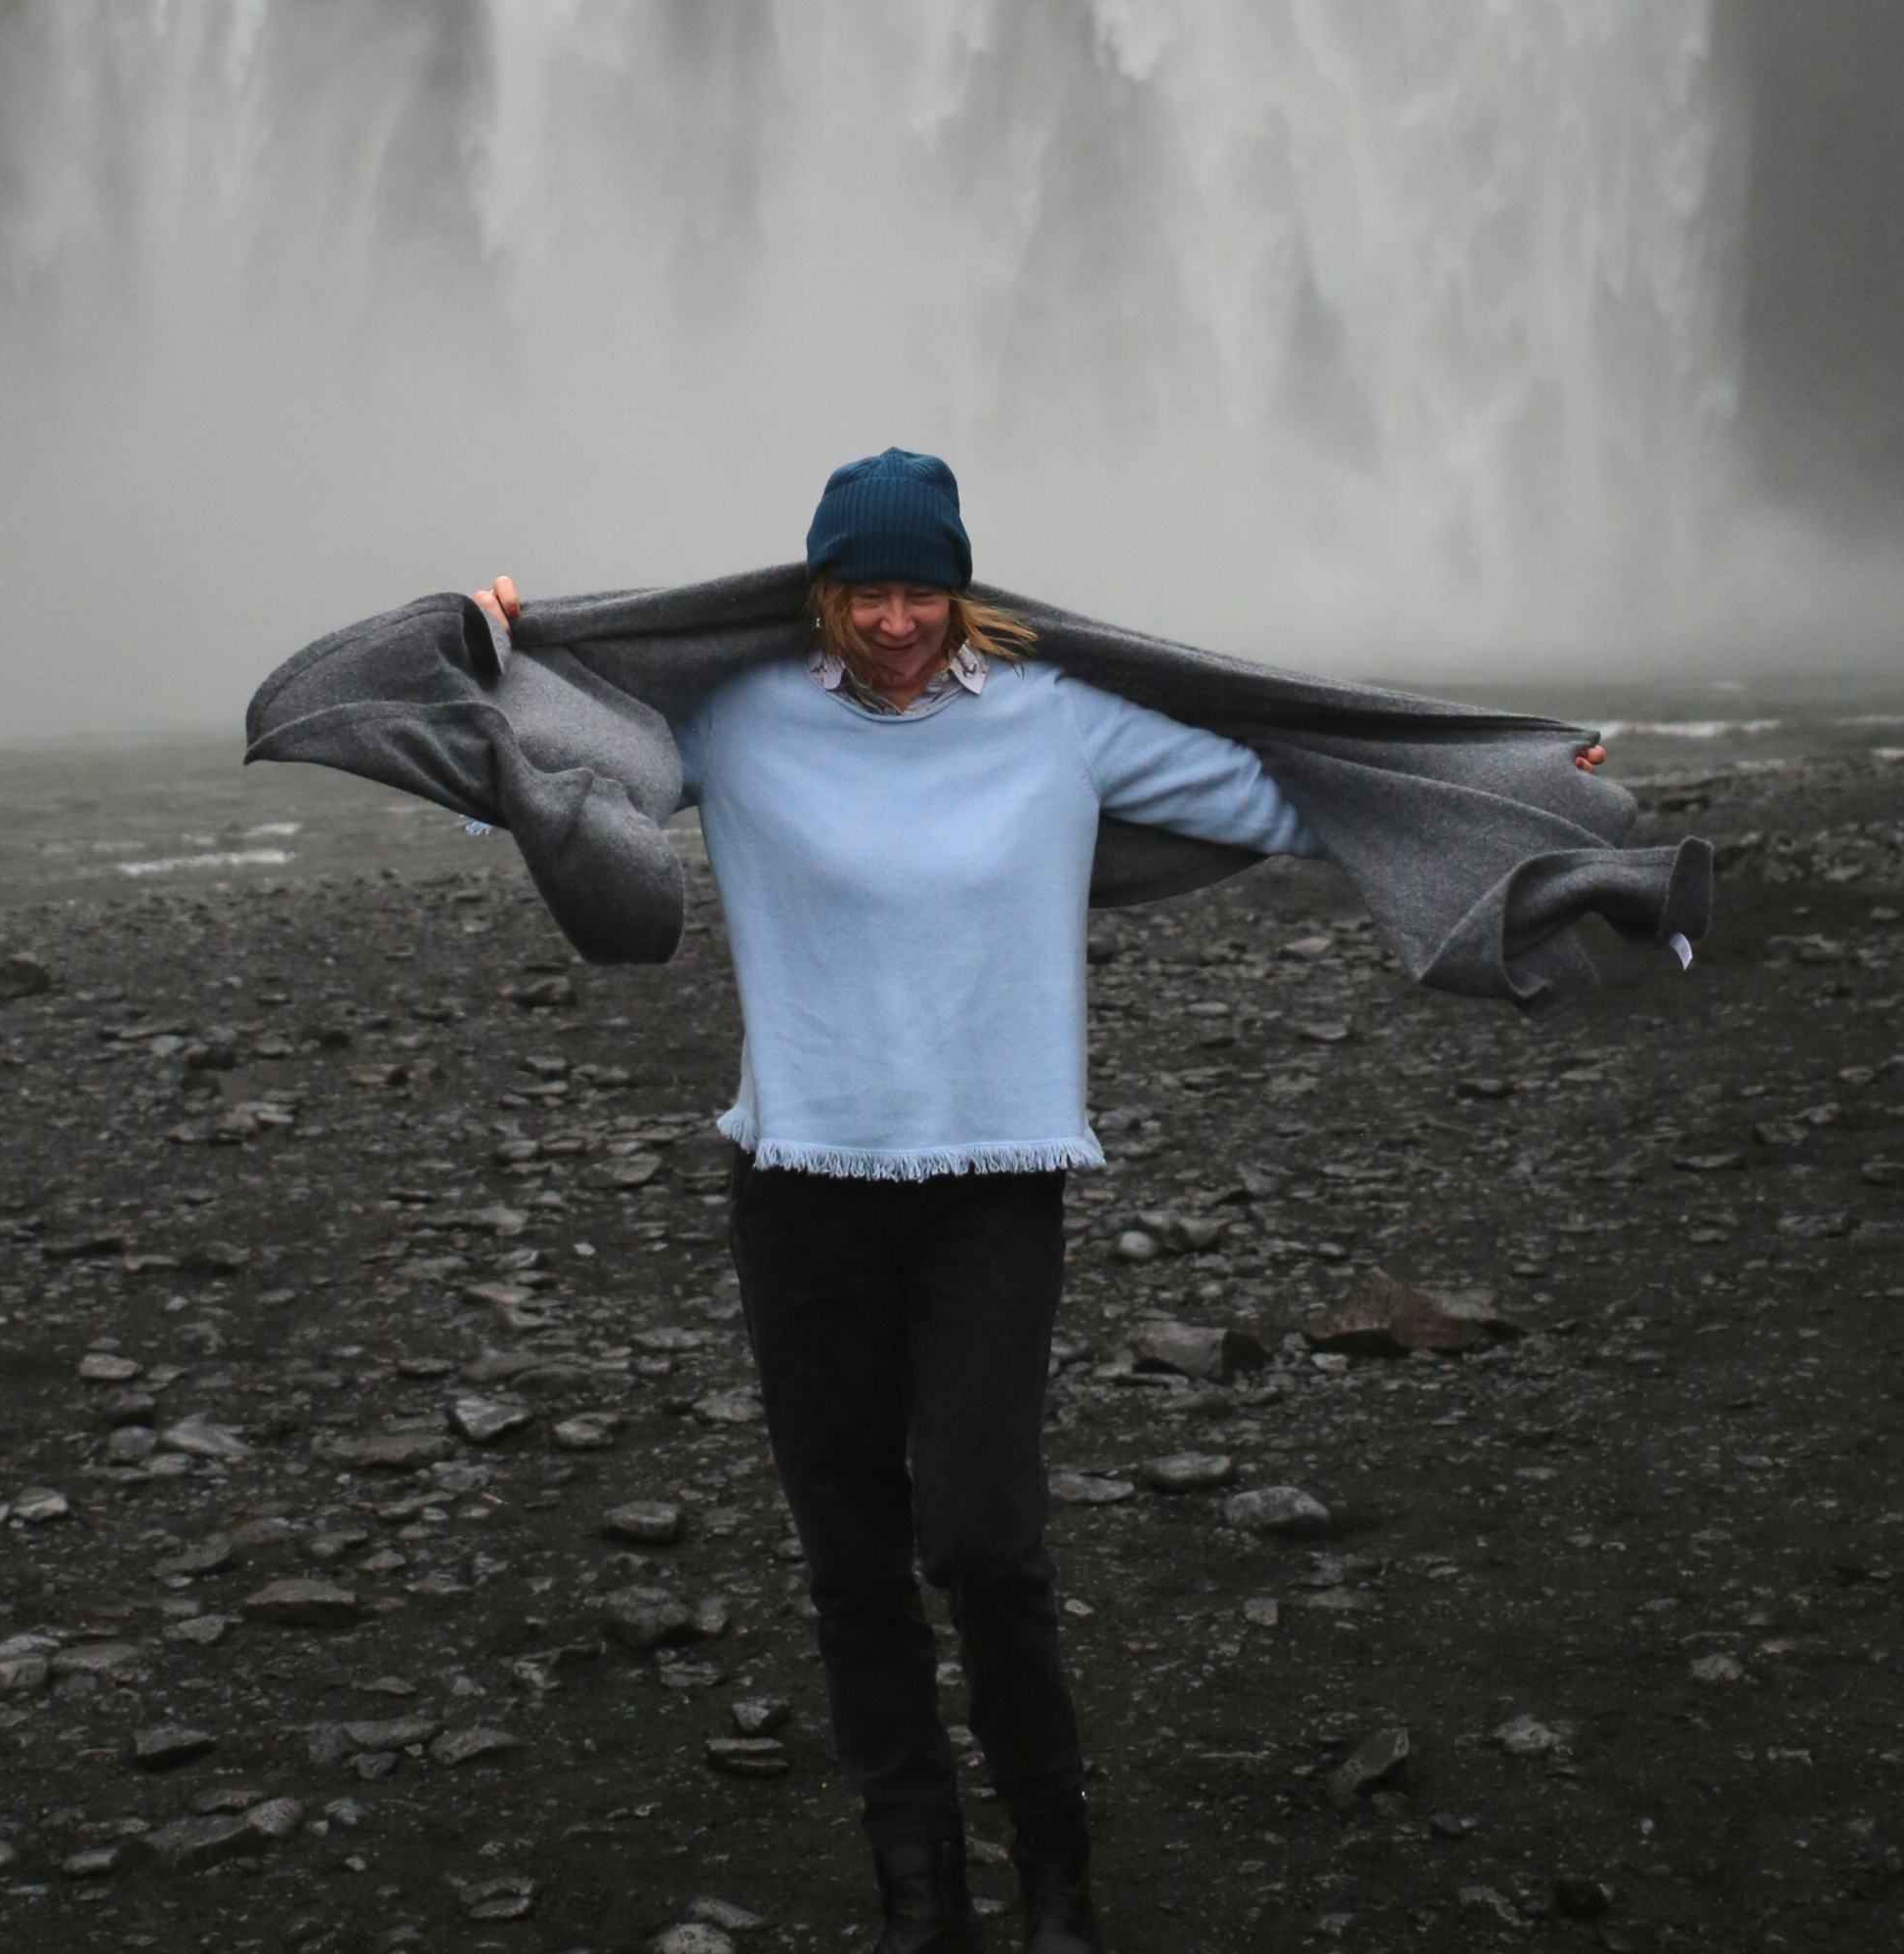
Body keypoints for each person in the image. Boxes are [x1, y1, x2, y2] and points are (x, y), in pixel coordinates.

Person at [476, 449, 1606, 1954]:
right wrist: (497, 653)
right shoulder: (736, 722)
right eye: (867, 589)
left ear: (961, 587)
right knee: (854, 1562)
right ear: (821, 592)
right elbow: (567, 781)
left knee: (990, 1543)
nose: (894, 618)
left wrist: (1509, 785)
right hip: (800, 1187)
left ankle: (1055, 1877)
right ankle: (919, 1896)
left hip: (997, 1192)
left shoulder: (1059, 723)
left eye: (921, 587)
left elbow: (1293, 790)